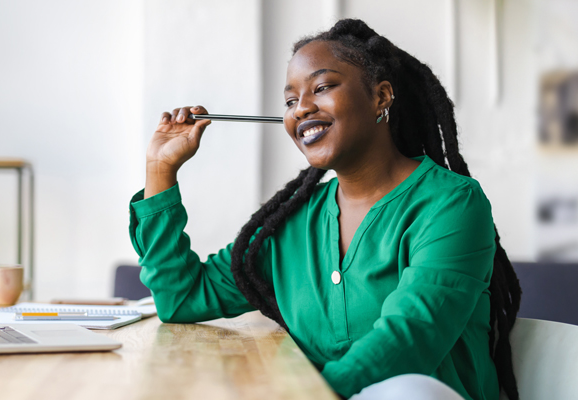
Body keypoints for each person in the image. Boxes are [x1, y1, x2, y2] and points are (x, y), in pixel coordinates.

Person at [128, 19, 521, 400]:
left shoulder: (451, 204)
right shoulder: (289, 223)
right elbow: (182, 298)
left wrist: (307, 393)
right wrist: (161, 169)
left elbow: (412, 336)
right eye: (289, 100)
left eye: (322, 87)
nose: (301, 108)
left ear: (380, 97)